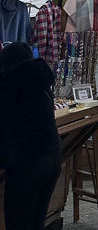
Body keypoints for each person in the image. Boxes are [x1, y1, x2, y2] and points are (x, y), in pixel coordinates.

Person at [0, 42, 62, 230]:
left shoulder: (8, 83)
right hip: (52, 157)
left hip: (27, 164)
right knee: (36, 222)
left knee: (19, 223)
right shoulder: (40, 79)